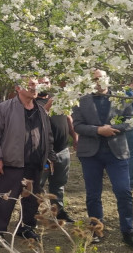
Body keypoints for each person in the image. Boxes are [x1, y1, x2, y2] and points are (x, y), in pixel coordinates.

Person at [71, 69, 133, 248]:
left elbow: (129, 121)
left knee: (123, 192)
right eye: (95, 79)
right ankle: (96, 228)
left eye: (102, 77)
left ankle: (128, 231)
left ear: (108, 79)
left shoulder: (121, 98)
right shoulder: (81, 100)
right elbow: (77, 125)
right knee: (93, 194)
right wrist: (97, 130)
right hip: (90, 154)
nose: (98, 81)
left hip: (116, 152)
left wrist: (111, 128)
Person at [0, 77, 54, 244]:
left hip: (36, 164)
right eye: (30, 84)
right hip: (11, 164)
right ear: (17, 88)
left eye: (36, 85)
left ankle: (25, 228)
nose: (34, 87)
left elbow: (48, 136)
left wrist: (49, 157)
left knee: (32, 200)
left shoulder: (41, 109)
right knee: (4, 200)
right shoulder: (5, 108)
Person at [36, 77, 76, 223]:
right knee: (37, 185)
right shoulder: (32, 102)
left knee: (59, 184)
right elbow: (35, 122)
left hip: (62, 150)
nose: (44, 85)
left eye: (47, 82)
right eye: (41, 82)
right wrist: (47, 106)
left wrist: (75, 137)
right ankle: (31, 215)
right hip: (42, 153)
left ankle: (58, 211)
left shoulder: (58, 99)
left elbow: (68, 118)